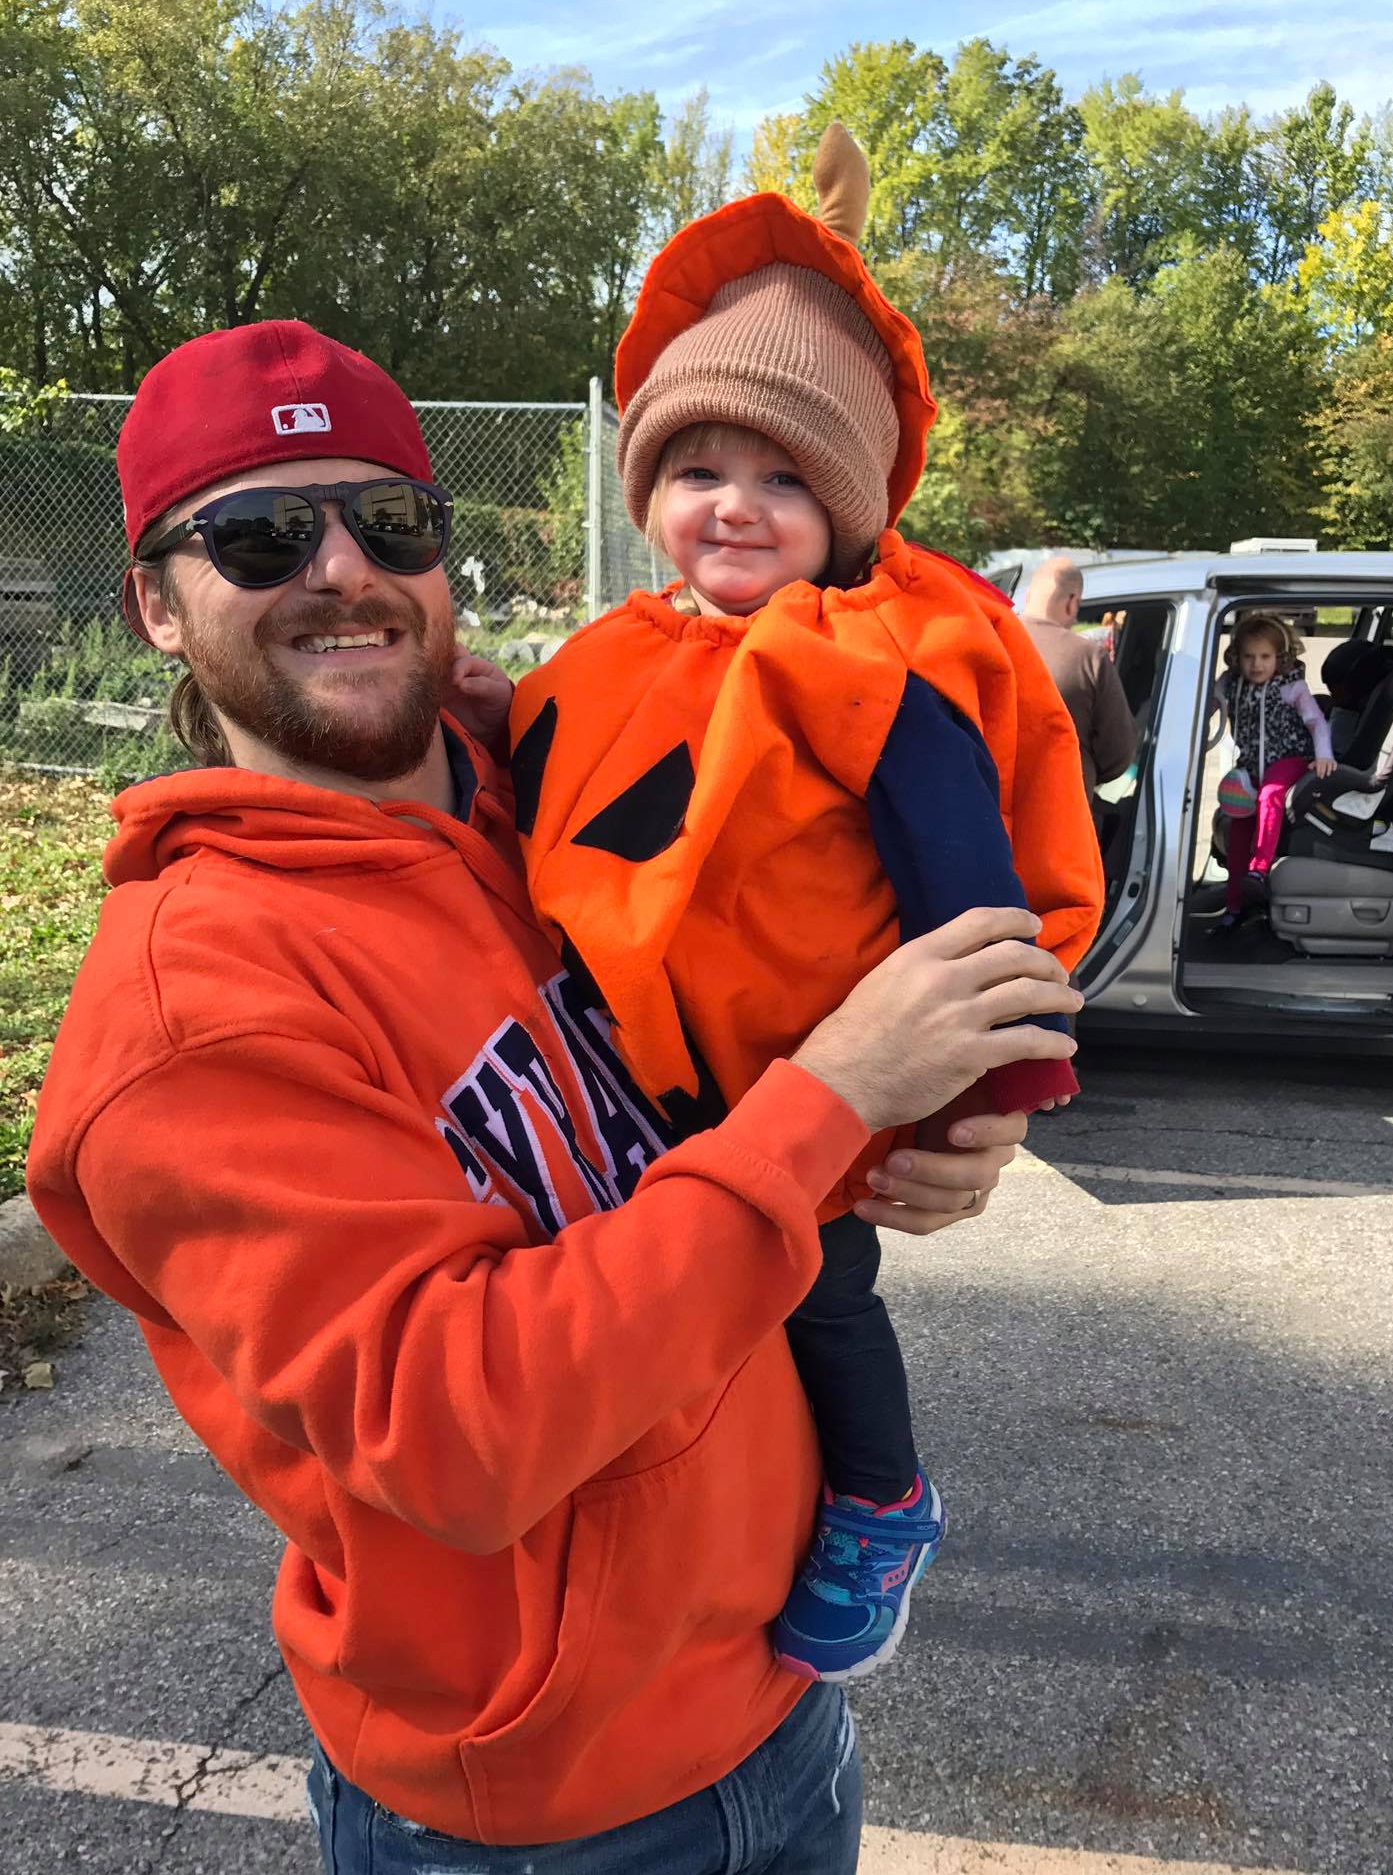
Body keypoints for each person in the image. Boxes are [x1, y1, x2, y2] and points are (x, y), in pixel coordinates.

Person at [26, 318, 1083, 1874]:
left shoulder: (558, 780)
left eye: (389, 522)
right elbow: (457, 1432)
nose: (339, 570)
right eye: (257, 534)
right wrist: (825, 1098)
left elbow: (761, 1006)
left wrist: (919, 1138)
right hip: (547, 1813)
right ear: (157, 609)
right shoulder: (191, 1019)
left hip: (779, 1697)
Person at [449, 125, 1104, 1686]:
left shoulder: (870, 659)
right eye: (696, 469)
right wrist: (474, 711)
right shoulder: (612, 653)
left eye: (783, 478)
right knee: (682, 1327)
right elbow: (554, 788)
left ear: (855, 506)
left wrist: (996, 1098)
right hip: (636, 1096)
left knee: (818, 1301)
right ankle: (736, 1513)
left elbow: (972, 889)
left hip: (811, 1092)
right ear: (648, 486)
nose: (733, 505)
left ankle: (883, 1498)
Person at [1214, 610, 1336, 930]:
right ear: (1236, 657)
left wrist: (1323, 755)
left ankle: (1259, 868)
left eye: (1265, 656)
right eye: (1248, 656)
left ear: (1279, 657)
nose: (1256, 664)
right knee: (1237, 822)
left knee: (1271, 796)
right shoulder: (1231, 684)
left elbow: (1316, 723)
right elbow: (1206, 704)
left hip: (1290, 758)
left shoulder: (1291, 688)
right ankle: (1234, 903)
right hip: (1250, 764)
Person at [1020, 557, 1139, 803]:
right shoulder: (1088, 658)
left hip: (988, 814)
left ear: (1029, 595)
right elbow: (1119, 752)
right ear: (1072, 602)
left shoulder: (990, 643)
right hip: (1061, 811)